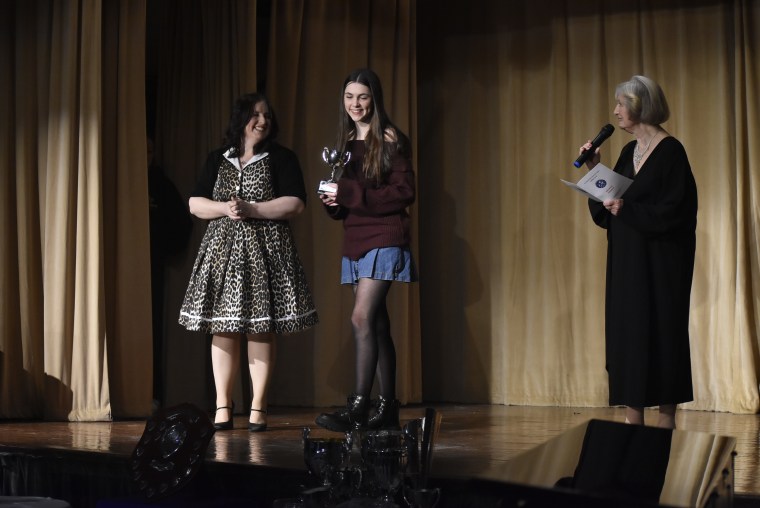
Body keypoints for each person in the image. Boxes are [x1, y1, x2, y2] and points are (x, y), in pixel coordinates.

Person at [178, 92, 318, 431]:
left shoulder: (281, 157)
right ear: (241, 119)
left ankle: (258, 406)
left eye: (266, 115)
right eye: (255, 114)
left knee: (260, 326)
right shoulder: (218, 158)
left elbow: (296, 203)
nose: (262, 120)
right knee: (223, 325)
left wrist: (253, 209)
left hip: (265, 254)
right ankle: (222, 405)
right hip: (223, 255)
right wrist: (225, 208)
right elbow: (195, 203)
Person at [579, 75, 697, 429]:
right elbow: (609, 204)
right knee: (629, 337)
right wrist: (594, 169)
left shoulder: (671, 152)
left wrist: (627, 209)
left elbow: (678, 211)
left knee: (661, 338)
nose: (615, 111)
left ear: (640, 106)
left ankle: (664, 431)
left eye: (621, 104)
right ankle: (633, 430)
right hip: (628, 263)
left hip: (660, 266)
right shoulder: (629, 151)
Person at [315, 68, 417, 432]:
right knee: (376, 323)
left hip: (384, 236)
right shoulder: (345, 144)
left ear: (374, 99)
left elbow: (404, 193)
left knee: (361, 319)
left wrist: (347, 193)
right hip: (356, 238)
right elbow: (348, 201)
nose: (355, 104)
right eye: (349, 97)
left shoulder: (389, 138)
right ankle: (387, 408)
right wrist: (333, 202)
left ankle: (359, 406)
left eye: (362, 96)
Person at [147, 137, 193, 409]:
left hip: (151, 267)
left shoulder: (161, 185)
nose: (145, 156)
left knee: (150, 329)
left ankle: (150, 393)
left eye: (150, 150)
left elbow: (181, 223)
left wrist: (161, 248)